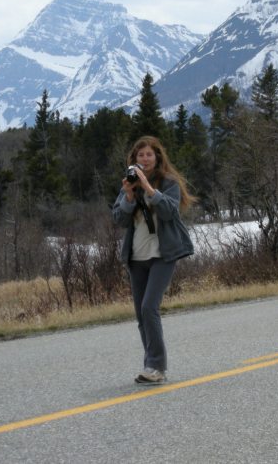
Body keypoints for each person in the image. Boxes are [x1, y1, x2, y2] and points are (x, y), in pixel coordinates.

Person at [112, 136, 196, 384]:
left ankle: (157, 367)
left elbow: (170, 211)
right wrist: (129, 195)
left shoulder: (169, 182)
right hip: (137, 257)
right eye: (140, 156)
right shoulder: (129, 185)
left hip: (163, 255)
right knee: (141, 314)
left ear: (157, 157)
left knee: (150, 307)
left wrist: (149, 188)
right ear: (134, 159)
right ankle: (150, 365)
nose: (145, 159)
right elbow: (119, 219)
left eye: (149, 155)